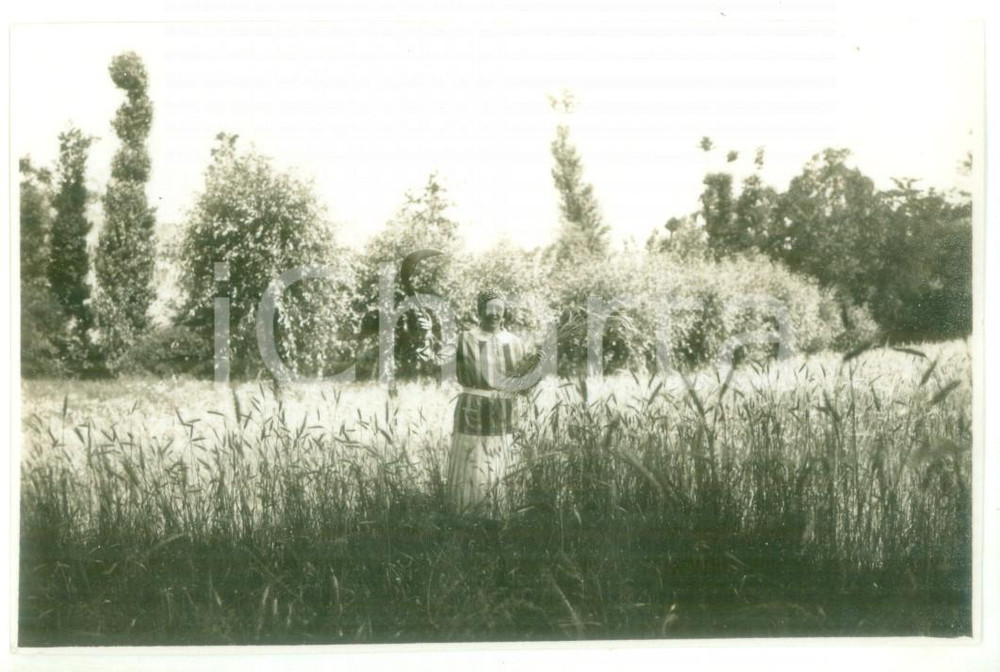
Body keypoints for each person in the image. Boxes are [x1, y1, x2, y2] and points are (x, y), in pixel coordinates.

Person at [419, 288, 535, 514]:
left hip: (504, 410)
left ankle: (500, 515)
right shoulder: (464, 339)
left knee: (500, 462)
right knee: (472, 463)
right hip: (472, 410)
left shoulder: (515, 342)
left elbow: (525, 381)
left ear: (504, 313)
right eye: (489, 309)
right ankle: (467, 515)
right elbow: (435, 361)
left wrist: (535, 370)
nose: (494, 314)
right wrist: (427, 336)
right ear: (479, 311)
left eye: (498, 309)